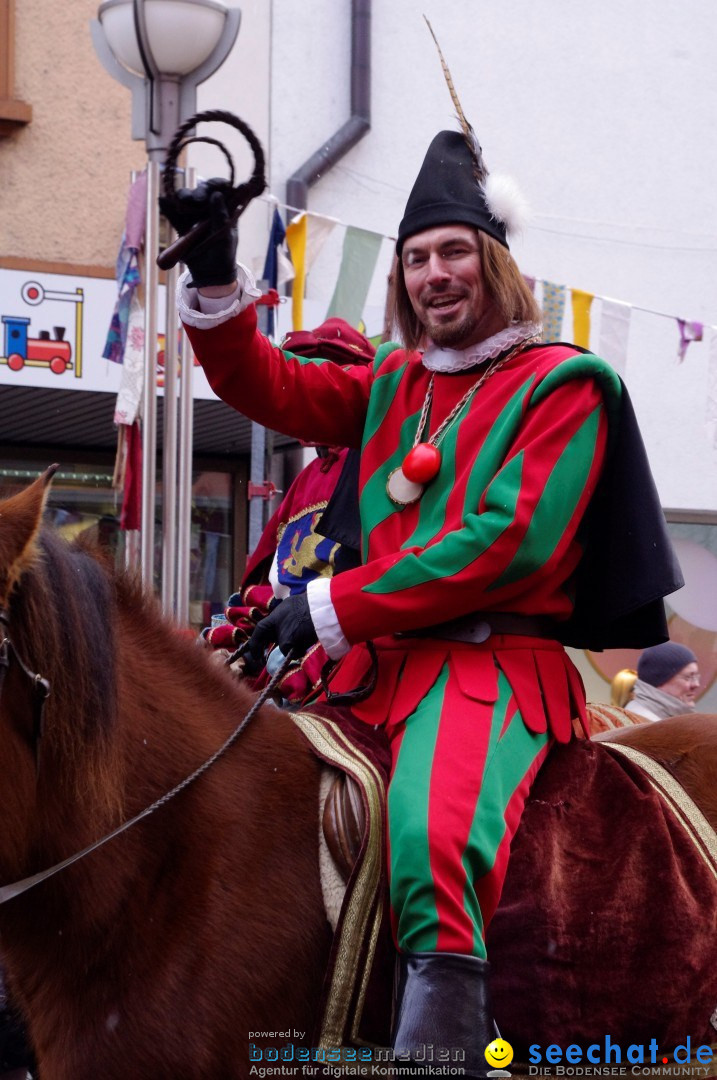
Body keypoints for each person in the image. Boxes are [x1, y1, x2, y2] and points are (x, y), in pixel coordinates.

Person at [166, 128, 682, 1076]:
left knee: (429, 830)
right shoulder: (395, 381)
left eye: (452, 252)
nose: (432, 274)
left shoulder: (566, 382)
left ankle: (438, 1057)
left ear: (493, 263)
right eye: (414, 259)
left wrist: (329, 606)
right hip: (373, 672)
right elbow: (267, 385)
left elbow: (504, 542)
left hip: (488, 673)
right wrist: (213, 278)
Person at [203, 318, 374, 704]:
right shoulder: (309, 475)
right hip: (283, 646)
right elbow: (269, 580)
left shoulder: (374, 461)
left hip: (343, 655)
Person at [627, 642, 700, 722]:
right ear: (659, 680)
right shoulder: (641, 724)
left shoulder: (663, 720)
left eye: (696, 677)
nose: (696, 684)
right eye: (688, 677)